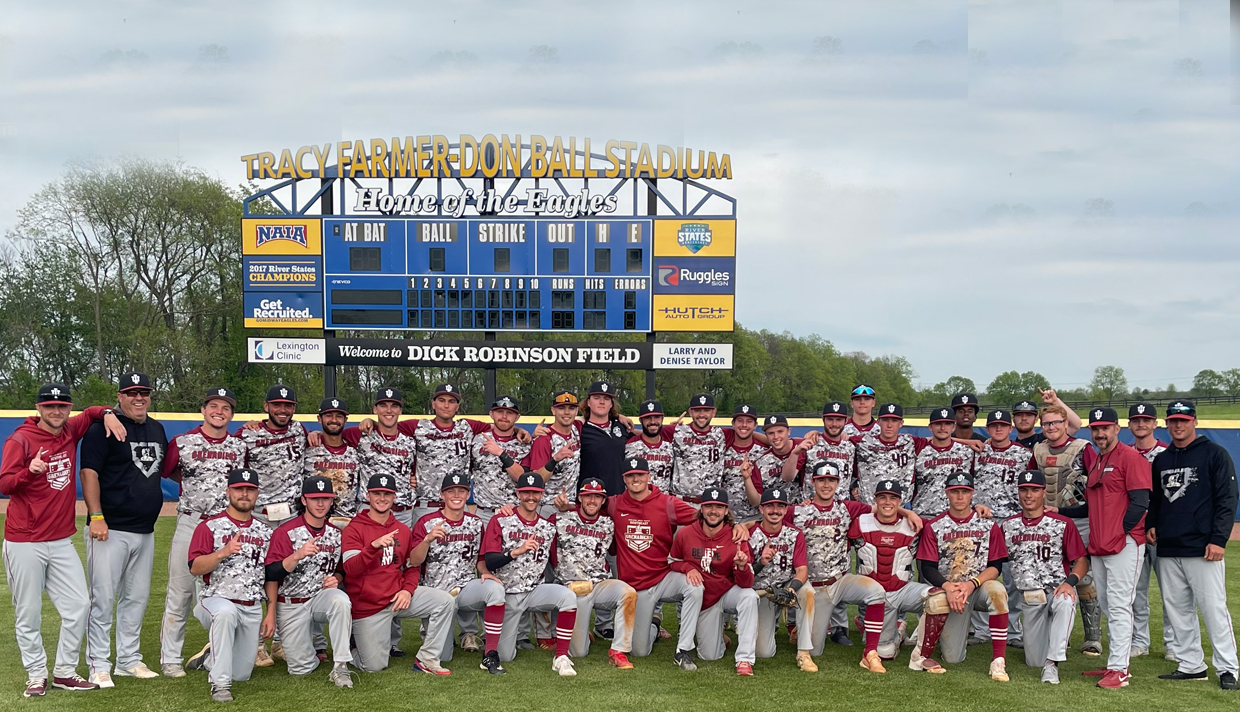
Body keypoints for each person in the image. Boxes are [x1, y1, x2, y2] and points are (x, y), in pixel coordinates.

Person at [2, 383, 125, 697]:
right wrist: (29, 471)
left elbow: (93, 412)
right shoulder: (21, 439)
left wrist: (108, 414)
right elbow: (4, 484)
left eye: (62, 406)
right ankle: (35, 674)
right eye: (49, 406)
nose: (56, 411)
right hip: (24, 541)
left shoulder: (71, 428)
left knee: (79, 605)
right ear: (39, 408)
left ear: (69, 408)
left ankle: (64, 672)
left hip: (60, 540)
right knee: (28, 611)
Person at [80, 372, 166, 687]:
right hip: (110, 528)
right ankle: (99, 664)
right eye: (132, 393)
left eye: (144, 392)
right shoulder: (100, 429)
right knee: (102, 598)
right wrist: (96, 515)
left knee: (137, 598)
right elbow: (88, 473)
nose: (139, 398)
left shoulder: (156, 428)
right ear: (120, 396)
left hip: (145, 530)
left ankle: (128, 660)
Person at [1057, 407, 1151, 689]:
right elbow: (1090, 505)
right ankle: (1115, 663)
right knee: (1109, 604)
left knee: (1121, 605)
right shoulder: (1097, 460)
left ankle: (1120, 671)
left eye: (1105, 428)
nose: (1100, 433)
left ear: (1116, 429)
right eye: (1095, 428)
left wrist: (1119, 533)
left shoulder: (1131, 457)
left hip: (1124, 544)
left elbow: (1140, 503)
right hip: (1100, 545)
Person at [1149, 400, 1240, 691]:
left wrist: (1218, 539)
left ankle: (1229, 668)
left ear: (1195, 422)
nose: (1178, 425)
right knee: (1177, 610)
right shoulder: (1162, 459)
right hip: (1168, 546)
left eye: (1184, 420)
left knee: (1214, 609)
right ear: (1166, 423)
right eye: (1173, 420)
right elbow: (1157, 500)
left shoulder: (1215, 453)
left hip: (1203, 548)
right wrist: (1152, 523)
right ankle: (1191, 665)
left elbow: (1228, 500)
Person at [159, 388, 247, 678]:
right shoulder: (183, 442)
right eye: (213, 405)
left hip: (224, 526)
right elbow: (169, 472)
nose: (219, 411)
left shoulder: (238, 446)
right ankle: (170, 657)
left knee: (224, 593)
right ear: (203, 409)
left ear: (231, 414)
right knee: (181, 592)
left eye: (225, 407)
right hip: (192, 521)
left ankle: (215, 649)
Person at [354, 383, 530, 523]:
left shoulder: (468, 427)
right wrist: (370, 421)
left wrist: (519, 430)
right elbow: (388, 423)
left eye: (451, 401)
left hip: (457, 505)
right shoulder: (417, 426)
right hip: (425, 506)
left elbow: (500, 426)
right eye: (441, 400)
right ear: (433, 403)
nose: (446, 405)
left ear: (457, 406)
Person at [341, 474, 455, 674]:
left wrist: (408, 591)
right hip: (369, 607)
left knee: (444, 601)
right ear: (368, 496)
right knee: (374, 666)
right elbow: (350, 569)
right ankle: (354, 646)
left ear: (394, 497)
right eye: (377, 493)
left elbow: (411, 566)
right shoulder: (354, 529)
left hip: (397, 597)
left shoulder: (402, 529)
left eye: (387, 494)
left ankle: (427, 659)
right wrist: (372, 547)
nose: (382, 498)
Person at [786, 461, 893, 669]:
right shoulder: (798, 511)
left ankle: (870, 652)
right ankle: (801, 627)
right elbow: (767, 521)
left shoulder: (847, 507)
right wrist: (743, 527)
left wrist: (909, 513)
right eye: (822, 480)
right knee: (815, 649)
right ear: (813, 482)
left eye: (831, 480)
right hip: (811, 585)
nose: (826, 485)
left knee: (876, 592)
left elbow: (883, 509)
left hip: (839, 580)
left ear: (838, 483)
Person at [608, 456, 706, 668]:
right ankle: (654, 623)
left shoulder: (667, 503)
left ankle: (683, 649)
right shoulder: (614, 504)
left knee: (695, 588)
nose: (636, 479)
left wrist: (738, 525)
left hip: (663, 576)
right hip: (636, 588)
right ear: (624, 479)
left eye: (640, 475)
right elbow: (587, 508)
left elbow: (704, 516)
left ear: (649, 477)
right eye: (630, 476)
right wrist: (566, 506)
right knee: (640, 651)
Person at [912, 471, 1011, 682]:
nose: (959, 497)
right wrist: (948, 587)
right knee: (952, 658)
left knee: (998, 592)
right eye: (955, 491)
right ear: (947, 493)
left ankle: (998, 660)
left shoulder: (987, 524)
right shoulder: (935, 525)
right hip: (952, 593)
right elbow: (928, 568)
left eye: (964, 492)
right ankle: (947, 633)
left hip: (978, 586)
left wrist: (971, 583)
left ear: (972, 494)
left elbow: (996, 566)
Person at [185, 468, 273, 703]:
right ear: (228, 492)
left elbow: (270, 576)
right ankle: (220, 685)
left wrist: (271, 611)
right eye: (239, 489)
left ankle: (209, 659)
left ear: (256, 494)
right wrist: (222, 553)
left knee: (242, 674)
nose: (244, 494)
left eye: (250, 490)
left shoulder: (265, 531)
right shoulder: (210, 526)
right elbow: (195, 567)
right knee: (226, 614)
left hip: (251, 605)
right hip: (214, 601)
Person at [481, 472, 579, 676]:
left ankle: (561, 656)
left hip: (535, 591)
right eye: (526, 493)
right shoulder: (501, 520)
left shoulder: (547, 527)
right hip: (507, 594)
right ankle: (492, 643)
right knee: (506, 655)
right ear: (518, 493)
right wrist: (515, 552)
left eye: (535, 493)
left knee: (568, 596)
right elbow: (489, 561)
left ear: (542, 494)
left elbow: (555, 560)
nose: (531, 497)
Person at [409, 473, 508, 670]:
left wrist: (484, 572)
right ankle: (431, 631)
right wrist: (427, 540)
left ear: (467, 494)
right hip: (437, 594)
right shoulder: (427, 522)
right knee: (444, 657)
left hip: (464, 589)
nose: (456, 495)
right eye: (450, 491)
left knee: (495, 589)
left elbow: (479, 558)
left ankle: (490, 653)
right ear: (442, 495)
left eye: (461, 491)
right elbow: (413, 561)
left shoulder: (475, 523)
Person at [262, 475, 353, 688]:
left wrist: (337, 578)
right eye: (314, 498)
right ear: (304, 500)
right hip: (291, 603)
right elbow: (271, 574)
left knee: (341, 600)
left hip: (321, 598)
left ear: (332, 501)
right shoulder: (285, 532)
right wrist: (296, 556)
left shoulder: (336, 534)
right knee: (300, 669)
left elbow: (342, 570)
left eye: (325, 498)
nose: (320, 504)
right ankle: (303, 647)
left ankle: (341, 666)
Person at [1027, 402, 1102, 657]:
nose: (1051, 427)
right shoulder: (1038, 450)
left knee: (1084, 577)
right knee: (1050, 573)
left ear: (1065, 424)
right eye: (1046, 423)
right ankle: (1061, 633)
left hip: (1079, 517)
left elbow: (1096, 485)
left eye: (1056, 422)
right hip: (1049, 521)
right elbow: (1031, 484)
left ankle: (1092, 636)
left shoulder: (1083, 448)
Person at [1001, 470, 1087, 684]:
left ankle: (1052, 664)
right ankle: (1048, 649)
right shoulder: (1007, 526)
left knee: (1066, 602)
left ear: (1043, 492)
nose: (1029, 495)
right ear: (1018, 492)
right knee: (1033, 661)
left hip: (1058, 589)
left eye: (1034, 490)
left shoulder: (1062, 523)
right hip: (1030, 599)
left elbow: (1082, 561)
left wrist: (1070, 583)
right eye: (1024, 490)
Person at [670, 488, 759, 675]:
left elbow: (746, 584)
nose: (713, 511)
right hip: (705, 601)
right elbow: (673, 561)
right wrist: (689, 568)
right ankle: (720, 638)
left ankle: (744, 659)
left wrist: (742, 567)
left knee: (749, 597)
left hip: (727, 592)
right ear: (701, 508)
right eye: (709, 506)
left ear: (726, 511)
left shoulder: (737, 537)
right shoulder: (686, 533)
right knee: (709, 655)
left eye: (719, 507)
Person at [551, 477, 637, 668]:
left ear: (603, 500)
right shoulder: (560, 519)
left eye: (597, 497)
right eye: (588, 496)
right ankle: (580, 633)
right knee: (579, 652)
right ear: (580, 498)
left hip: (599, 584)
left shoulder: (609, 524)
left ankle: (618, 650)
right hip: (571, 589)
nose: (592, 500)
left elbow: (614, 551)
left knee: (628, 593)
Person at [970, 409, 1030, 649]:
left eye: (1003, 425)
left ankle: (1013, 629)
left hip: (1013, 521)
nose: (998, 429)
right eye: (994, 425)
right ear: (987, 428)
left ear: (1011, 428)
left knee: (1013, 577)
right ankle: (982, 628)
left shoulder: (1023, 454)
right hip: (983, 521)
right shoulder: (976, 452)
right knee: (980, 573)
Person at [850, 479, 926, 662]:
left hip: (901, 590)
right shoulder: (860, 522)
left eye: (893, 498)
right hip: (873, 595)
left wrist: (978, 509)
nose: (887, 502)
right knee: (884, 653)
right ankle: (888, 630)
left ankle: (923, 653)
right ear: (875, 500)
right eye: (882, 497)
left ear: (900, 501)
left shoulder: (916, 525)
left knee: (938, 600)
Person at [747, 486, 815, 672]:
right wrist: (761, 562)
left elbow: (802, 570)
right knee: (764, 652)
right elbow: (744, 574)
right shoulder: (750, 534)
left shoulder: (795, 534)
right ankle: (770, 625)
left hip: (786, 584)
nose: (775, 510)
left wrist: (791, 588)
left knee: (807, 591)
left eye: (780, 506)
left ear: (786, 510)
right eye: (770, 506)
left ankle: (804, 652)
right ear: (761, 509)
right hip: (761, 591)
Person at [1127, 401, 1170, 659]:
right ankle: (1139, 641)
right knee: (1136, 592)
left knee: (1171, 592)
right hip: (1133, 532)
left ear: (1155, 424)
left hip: (1161, 530)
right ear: (1129, 424)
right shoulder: (1125, 454)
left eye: (1146, 420)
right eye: (1136, 420)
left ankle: (1173, 643)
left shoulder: (1166, 454)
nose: (1141, 424)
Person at [239, 384, 306, 530]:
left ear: (294, 409)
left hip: (293, 514)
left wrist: (316, 434)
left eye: (288, 405)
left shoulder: (299, 430)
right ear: (266, 406)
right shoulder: (248, 434)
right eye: (276, 405)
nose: (283, 410)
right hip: (259, 515)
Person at [354, 387, 417, 528]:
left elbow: (417, 471)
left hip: (402, 513)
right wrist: (316, 434)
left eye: (394, 406)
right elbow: (333, 435)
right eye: (383, 405)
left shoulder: (411, 441)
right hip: (369, 510)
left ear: (400, 410)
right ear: (375, 409)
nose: (389, 410)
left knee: (402, 550)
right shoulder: (361, 435)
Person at [470, 396, 530, 526]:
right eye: (500, 412)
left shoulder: (525, 443)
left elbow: (521, 477)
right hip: (484, 512)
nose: (504, 416)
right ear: (491, 414)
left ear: (517, 417)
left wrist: (501, 453)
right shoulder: (477, 440)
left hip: (514, 513)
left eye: (509, 413)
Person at [910, 407, 977, 519]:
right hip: (924, 513)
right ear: (930, 427)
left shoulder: (967, 452)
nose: (942, 428)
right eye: (938, 424)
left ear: (953, 426)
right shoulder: (918, 450)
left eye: (947, 424)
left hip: (957, 515)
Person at [303, 398, 362, 525]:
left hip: (347, 521)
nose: (334, 420)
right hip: (313, 522)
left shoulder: (355, 451)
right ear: (319, 419)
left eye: (339, 416)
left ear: (345, 420)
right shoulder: (307, 448)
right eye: (329, 415)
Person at [526, 391, 583, 517]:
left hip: (570, 505)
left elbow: (599, 414)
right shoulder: (544, 439)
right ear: (553, 410)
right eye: (561, 408)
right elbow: (536, 480)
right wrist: (555, 459)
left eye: (571, 408)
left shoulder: (576, 428)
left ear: (577, 411)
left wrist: (620, 417)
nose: (567, 412)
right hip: (547, 506)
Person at [577, 381, 631, 496]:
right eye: (596, 398)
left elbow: (646, 436)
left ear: (611, 404)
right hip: (590, 497)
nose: (602, 402)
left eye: (606, 399)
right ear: (588, 402)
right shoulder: (580, 429)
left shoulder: (621, 426)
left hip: (618, 497)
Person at [722, 404, 767, 523]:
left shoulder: (764, 452)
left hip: (755, 518)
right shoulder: (722, 448)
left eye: (749, 421)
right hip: (725, 518)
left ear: (755, 425)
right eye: (740, 421)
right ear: (733, 423)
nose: (744, 425)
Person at [804, 400, 857, 502]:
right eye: (830, 419)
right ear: (823, 419)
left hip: (842, 510)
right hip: (811, 509)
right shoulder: (810, 443)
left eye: (838, 419)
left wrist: (856, 488)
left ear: (846, 421)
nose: (834, 424)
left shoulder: (851, 447)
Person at [625, 399, 676, 494]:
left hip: (662, 503)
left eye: (656, 417)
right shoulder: (628, 446)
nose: (653, 421)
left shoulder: (671, 447)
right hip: (635, 503)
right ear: (641, 420)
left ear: (662, 419)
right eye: (648, 418)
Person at [1014, 389, 1083, 449]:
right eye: (1019, 415)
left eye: (1029, 415)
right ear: (1013, 419)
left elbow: (1075, 425)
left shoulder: (1048, 437)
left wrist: (1055, 401)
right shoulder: (1010, 446)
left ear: (1036, 419)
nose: (1024, 418)